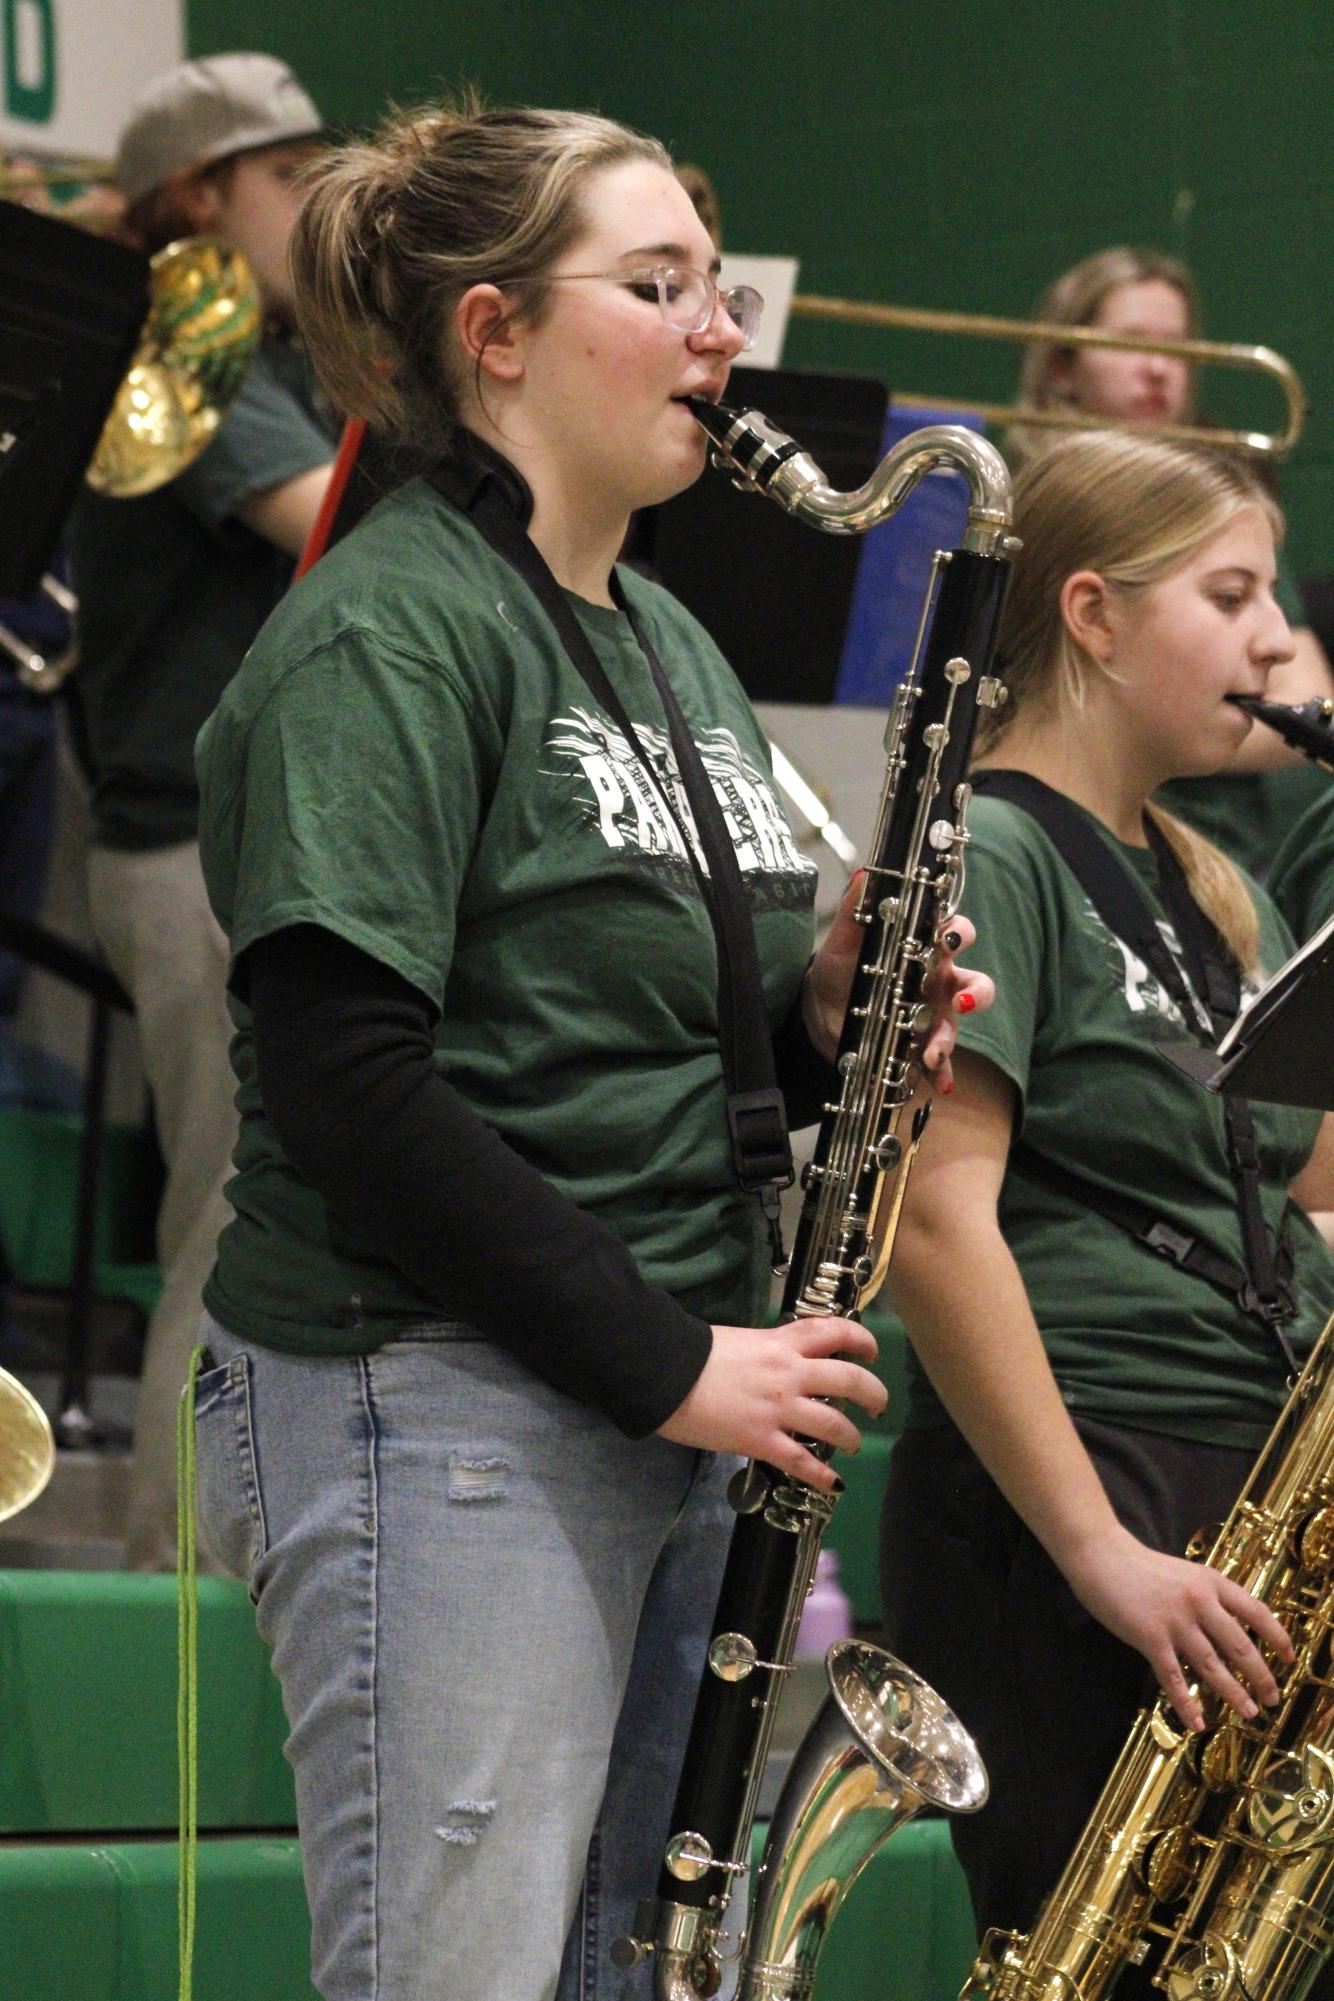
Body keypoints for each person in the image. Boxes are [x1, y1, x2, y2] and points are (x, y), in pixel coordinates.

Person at [188, 99, 987, 2001]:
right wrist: (669, 1363)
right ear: (494, 336)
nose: (722, 330)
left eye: (715, 284)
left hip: (655, 1392)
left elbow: (658, 1050)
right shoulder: (385, 636)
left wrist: (820, 1019)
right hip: (441, 1396)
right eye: (657, 285)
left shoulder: (662, 639)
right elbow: (345, 1085)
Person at [877, 430, 1334, 1975]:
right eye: (1231, 592)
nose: (1276, 637)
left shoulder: (1217, 883)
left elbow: (1300, 1185)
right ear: (1089, 613)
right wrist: (1095, 1549)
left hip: (1243, 1487)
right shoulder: (988, 845)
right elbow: (933, 1221)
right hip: (1079, 1495)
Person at [65, 53, 338, 1567]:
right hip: (189, 835)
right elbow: (329, 528)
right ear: (197, 200)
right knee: (227, 1216)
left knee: (253, 1208)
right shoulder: (190, 320)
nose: (322, 199)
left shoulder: (284, 346)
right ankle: (179, 1579)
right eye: (289, 176)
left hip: (251, 832)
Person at [1010, 246, 1333, 879]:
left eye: (1179, 348)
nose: (1160, 369)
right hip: (1147, 847)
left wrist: (1192, 712)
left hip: (1282, 836)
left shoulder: (1218, 498)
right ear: (1061, 366)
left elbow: (1311, 691)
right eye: (1131, 343)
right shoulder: (1022, 509)